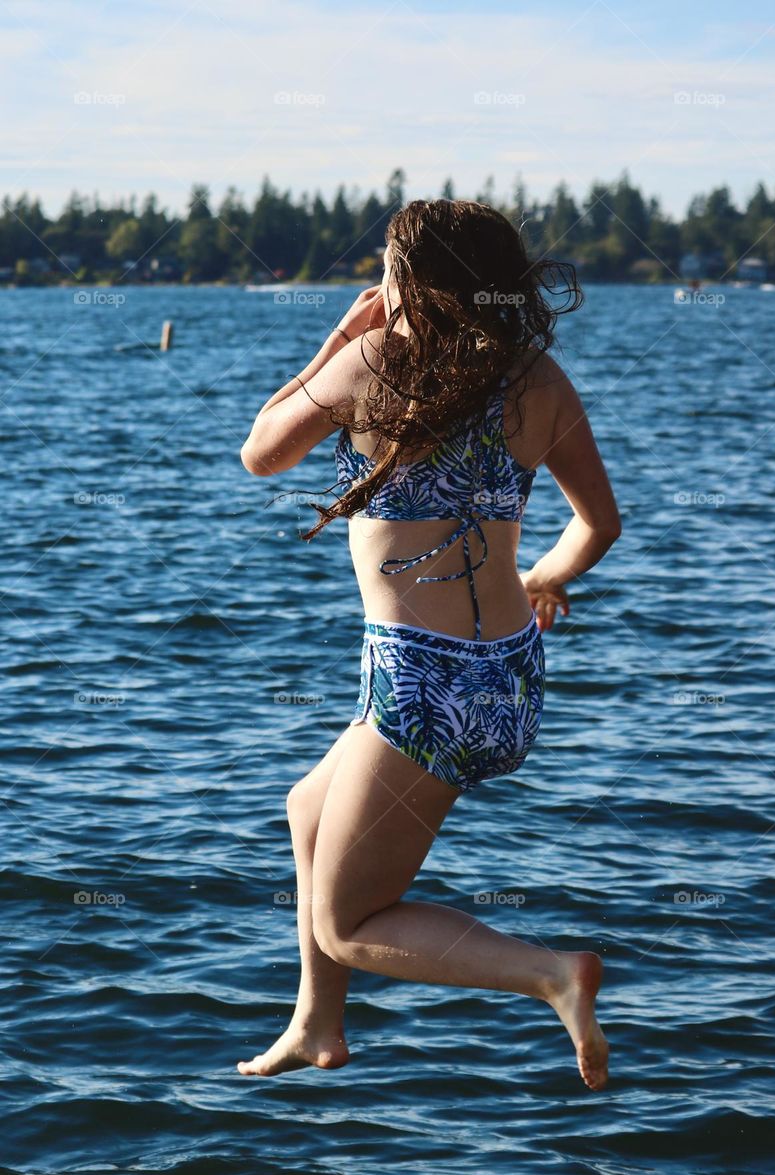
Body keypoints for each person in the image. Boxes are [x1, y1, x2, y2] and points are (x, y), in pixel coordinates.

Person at [237, 199, 621, 1091]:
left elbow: (261, 453)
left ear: (407, 280)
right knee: (308, 808)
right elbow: (597, 524)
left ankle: (552, 975)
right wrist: (539, 583)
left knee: (345, 922)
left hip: (422, 691)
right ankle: (316, 1025)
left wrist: (336, 339)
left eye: (386, 267)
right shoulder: (536, 377)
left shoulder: (374, 361)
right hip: (510, 679)